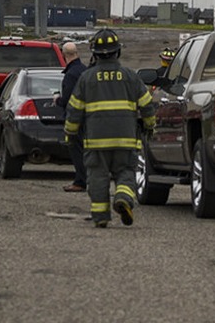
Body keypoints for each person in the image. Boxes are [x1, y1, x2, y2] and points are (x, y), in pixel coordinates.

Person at [64, 28, 155, 228]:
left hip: (96, 141)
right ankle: (123, 197)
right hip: (125, 139)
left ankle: (101, 216)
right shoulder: (130, 76)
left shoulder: (86, 78)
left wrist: (70, 133)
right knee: (126, 172)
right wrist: (150, 126)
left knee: (97, 177)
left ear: (95, 54)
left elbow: (74, 110)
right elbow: (148, 105)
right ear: (118, 52)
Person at [58, 41, 86, 192]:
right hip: (88, 117)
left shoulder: (70, 75)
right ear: (77, 53)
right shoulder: (85, 71)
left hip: (75, 119)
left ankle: (80, 181)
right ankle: (86, 179)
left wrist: (58, 100)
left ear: (64, 55)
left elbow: (68, 99)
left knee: (76, 150)